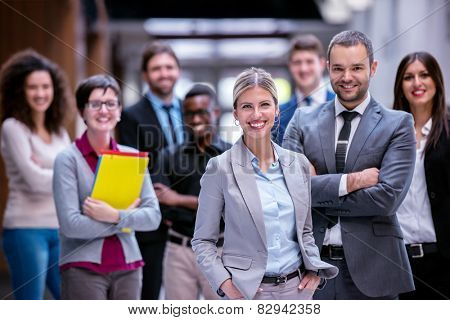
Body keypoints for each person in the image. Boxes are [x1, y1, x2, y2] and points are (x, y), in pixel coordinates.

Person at [283, 30, 416, 299]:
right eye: (339, 68)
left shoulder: (398, 124)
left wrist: (315, 189)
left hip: (376, 269)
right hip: (310, 270)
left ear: (373, 68)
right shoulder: (301, 120)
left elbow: (386, 199)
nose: (347, 77)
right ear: (328, 68)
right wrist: (351, 182)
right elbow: (287, 191)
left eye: (356, 67)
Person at [192, 67, 338, 300]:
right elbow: (202, 241)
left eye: (264, 105)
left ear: (277, 110)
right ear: (236, 114)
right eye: (247, 106)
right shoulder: (219, 168)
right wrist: (228, 287)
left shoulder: (298, 164)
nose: (256, 114)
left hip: (297, 291)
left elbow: (306, 229)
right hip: (247, 293)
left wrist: (314, 272)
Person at [53, 74, 161, 299]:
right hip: (82, 268)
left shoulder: (133, 157)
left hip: (129, 266)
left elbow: (153, 217)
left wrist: (114, 216)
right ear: (82, 111)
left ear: (120, 110)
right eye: (95, 104)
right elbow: (71, 225)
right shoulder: (67, 159)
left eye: (111, 103)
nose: (104, 110)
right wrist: (126, 219)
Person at [0, 49, 70, 300]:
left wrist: (48, 169)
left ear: (55, 89)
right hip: (26, 229)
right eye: (33, 87)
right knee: (30, 305)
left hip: (59, 229)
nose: (40, 93)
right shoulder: (13, 128)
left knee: (71, 300)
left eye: (45, 86)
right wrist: (63, 173)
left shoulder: (59, 131)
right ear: (21, 90)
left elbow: (73, 170)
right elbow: (34, 181)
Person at [152, 83, 231, 299]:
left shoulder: (232, 155)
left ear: (215, 112)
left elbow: (231, 206)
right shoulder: (168, 156)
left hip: (221, 252)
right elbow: (162, 205)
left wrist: (177, 199)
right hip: (179, 251)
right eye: (189, 114)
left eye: (201, 112)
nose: (195, 120)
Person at [118, 42, 183, 299]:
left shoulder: (192, 112)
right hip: (153, 222)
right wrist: (165, 208)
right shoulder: (130, 116)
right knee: (149, 295)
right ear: (145, 75)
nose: (164, 73)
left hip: (190, 222)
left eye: (169, 67)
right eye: (156, 69)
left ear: (177, 71)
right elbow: (138, 167)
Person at [393, 52, 450, 300]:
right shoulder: (389, 134)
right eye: (409, 77)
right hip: (399, 261)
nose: (417, 83)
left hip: (444, 260)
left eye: (424, 75)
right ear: (400, 85)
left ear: (436, 81)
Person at [274, 34, 335, 145]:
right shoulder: (278, 115)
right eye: (297, 62)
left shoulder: (341, 106)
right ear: (290, 66)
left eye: (309, 61)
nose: (303, 69)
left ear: (321, 64)